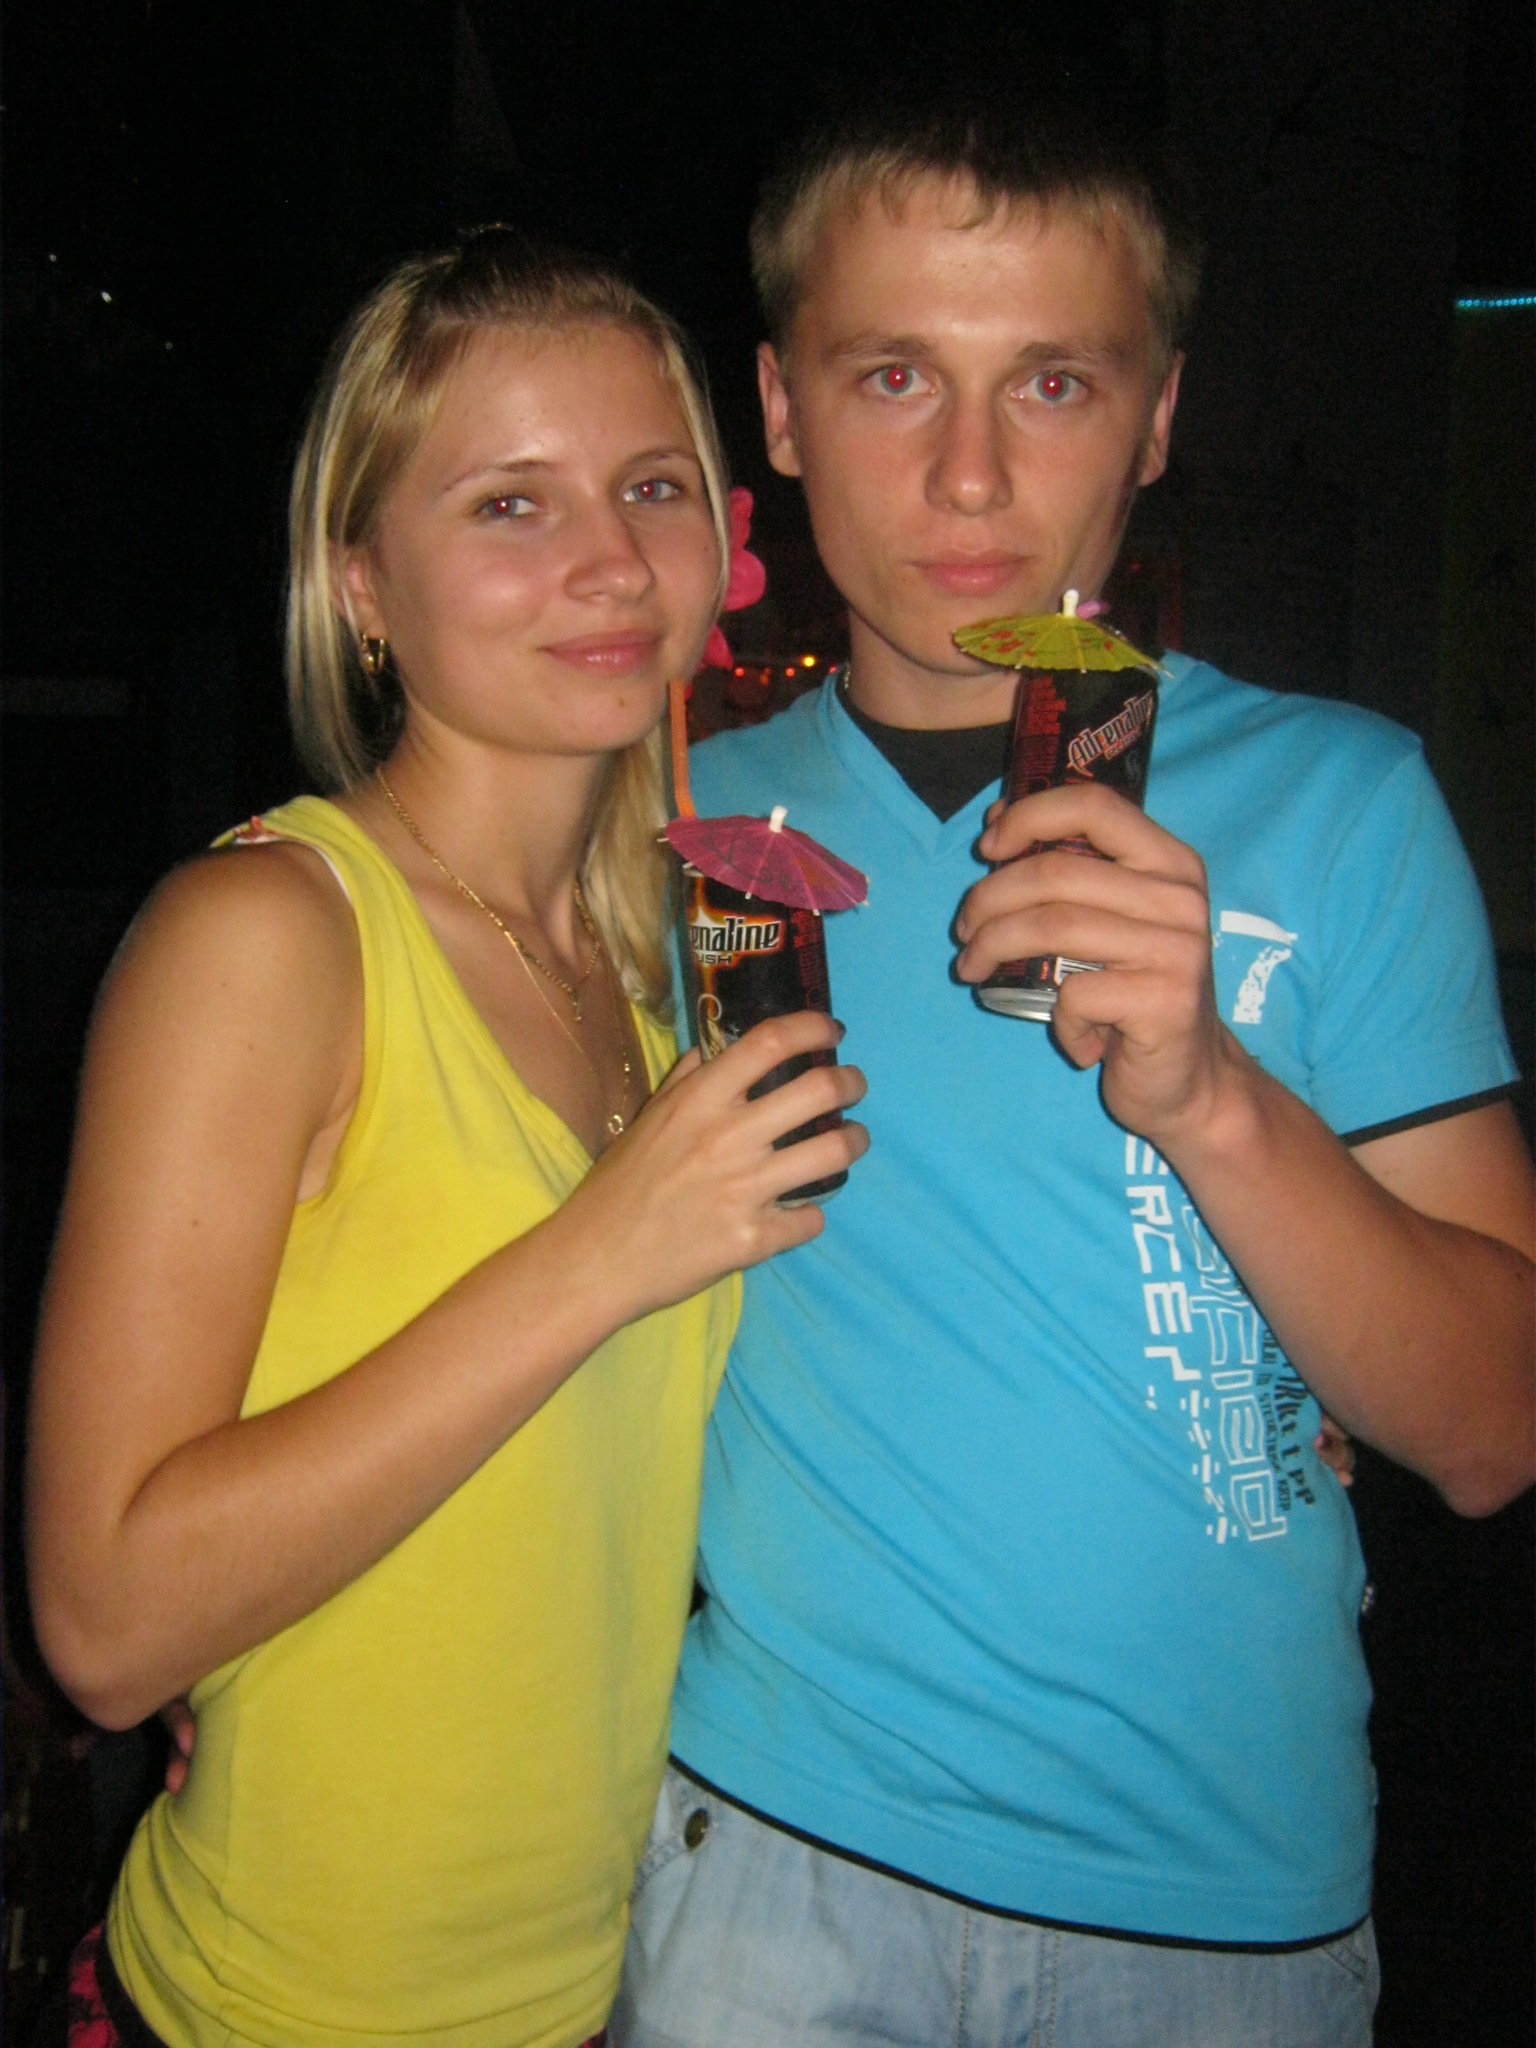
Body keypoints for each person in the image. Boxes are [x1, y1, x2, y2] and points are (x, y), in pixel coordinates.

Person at [612, 88, 1535, 2048]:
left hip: (1222, 1904)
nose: (967, 476)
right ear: (778, 409)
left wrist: (1214, 1098)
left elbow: (1493, 1427)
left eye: (1051, 382)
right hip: (769, 1854)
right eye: (892, 376)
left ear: (1159, 415)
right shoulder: (660, 828)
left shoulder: (1345, 802)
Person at [25, 229, 867, 2048]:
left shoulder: (661, 977)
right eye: (509, 503)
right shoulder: (267, 940)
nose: (606, 559)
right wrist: (599, 1255)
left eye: (651, 486)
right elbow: (101, 1619)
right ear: (362, 584)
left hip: (589, 1992)